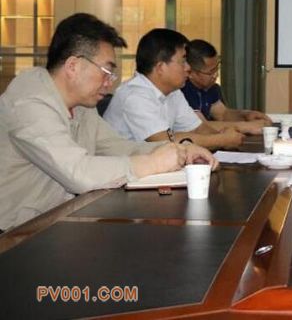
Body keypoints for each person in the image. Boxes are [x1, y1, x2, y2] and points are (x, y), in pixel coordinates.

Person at [0, 14, 217, 232]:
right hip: (14, 236)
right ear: (73, 66)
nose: (110, 82)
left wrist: (180, 150)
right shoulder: (29, 103)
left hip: (59, 221)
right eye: (106, 71)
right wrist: (153, 163)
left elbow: (119, 147)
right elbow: (79, 173)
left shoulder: (81, 105)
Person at [104, 29, 245, 149]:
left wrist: (223, 137)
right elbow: (164, 142)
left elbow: (198, 128)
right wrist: (222, 140)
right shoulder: (135, 95)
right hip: (124, 170)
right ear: (161, 67)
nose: (188, 68)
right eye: (183, 61)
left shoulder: (173, 92)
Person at [182, 39, 271, 134]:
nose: (216, 75)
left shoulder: (211, 87)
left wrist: (245, 115)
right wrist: (246, 126)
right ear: (190, 72)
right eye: (210, 72)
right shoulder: (184, 90)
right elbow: (200, 127)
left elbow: (222, 114)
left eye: (217, 68)